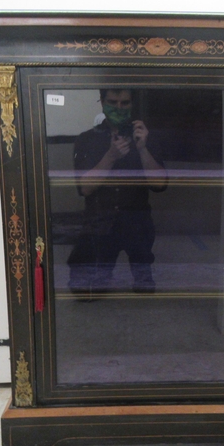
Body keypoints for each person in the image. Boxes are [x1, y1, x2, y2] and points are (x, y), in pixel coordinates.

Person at [67, 89, 167, 298]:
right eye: (113, 102)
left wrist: (142, 149)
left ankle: (141, 272)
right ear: (102, 103)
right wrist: (110, 156)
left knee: (145, 289)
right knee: (86, 294)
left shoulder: (145, 136)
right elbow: (85, 188)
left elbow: (159, 185)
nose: (119, 108)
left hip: (137, 220)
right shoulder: (87, 139)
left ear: (132, 105)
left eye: (125, 103)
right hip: (100, 221)